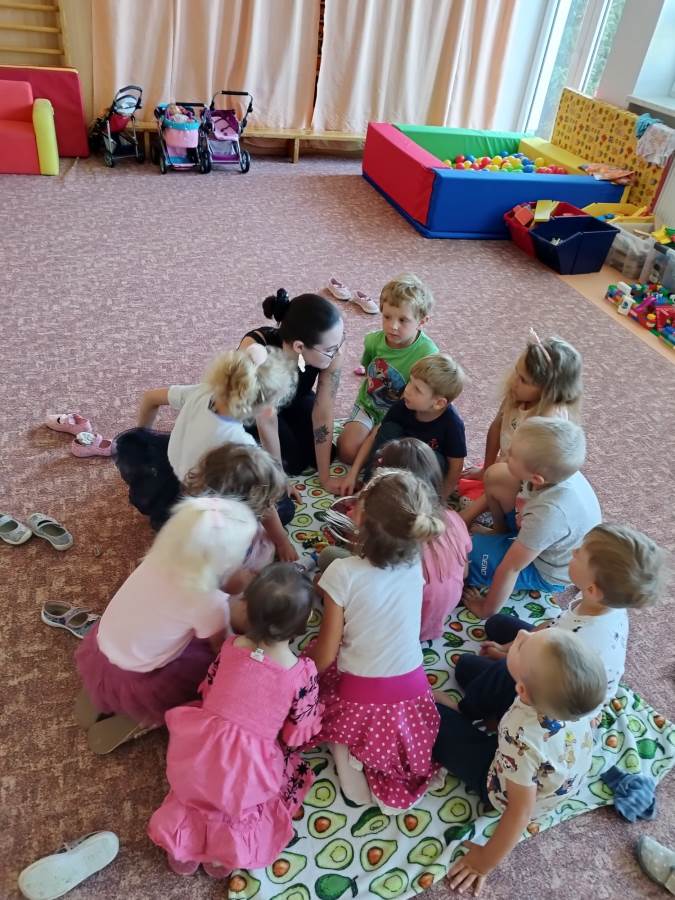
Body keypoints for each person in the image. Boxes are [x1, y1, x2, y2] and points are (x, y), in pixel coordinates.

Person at [147, 564, 322, 878]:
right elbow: (298, 729)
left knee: (195, 795)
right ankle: (223, 852)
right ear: (306, 621)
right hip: (248, 766)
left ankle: (183, 844)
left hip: (202, 748)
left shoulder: (232, 647)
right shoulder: (300, 673)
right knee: (239, 803)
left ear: (248, 610)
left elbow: (211, 686)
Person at [306, 469, 445, 811]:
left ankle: (347, 751)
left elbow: (325, 655)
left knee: (321, 694)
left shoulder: (342, 573)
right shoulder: (416, 563)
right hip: (412, 691)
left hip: (361, 701)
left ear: (358, 517)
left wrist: (297, 675)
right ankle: (369, 761)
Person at [75, 498, 258, 752]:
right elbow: (222, 648)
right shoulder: (208, 602)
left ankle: (104, 692)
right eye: (244, 556)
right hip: (142, 677)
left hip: (103, 647)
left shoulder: (155, 560)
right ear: (224, 566)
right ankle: (145, 717)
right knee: (209, 665)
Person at [433, 629, 606, 896]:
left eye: (522, 646)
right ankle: (471, 710)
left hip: (499, 781)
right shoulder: (575, 702)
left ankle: (459, 715)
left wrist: (483, 863)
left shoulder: (520, 734)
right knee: (469, 667)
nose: (523, 633)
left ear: (522, 691)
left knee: (433, 721)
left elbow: (519, 812)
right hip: (535, 754)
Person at [447, 524, 667, 725]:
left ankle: (468, 711)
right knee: (496, 623)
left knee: (467, 667)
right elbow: (553, 624)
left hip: (556, 700)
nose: (573, 551)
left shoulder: (577, 638)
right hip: (562, 663)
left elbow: (541, 676)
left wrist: (506, 657)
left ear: (592, 589)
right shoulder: (607, 604)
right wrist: (507, 648)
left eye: (579, 553)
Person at [114, 345, 298, 559]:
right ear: (265, 410)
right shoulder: (240, 444)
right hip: (195, 502)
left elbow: (150, 398)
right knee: (284, 508)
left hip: (166, 473)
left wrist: (143, 439)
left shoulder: (204, 391)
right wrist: (282, 541)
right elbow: (264, 505)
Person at [463, 417, 601, 619]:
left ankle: (505, 546)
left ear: (537, 478)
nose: (506, 453)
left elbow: (511, 568)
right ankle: (501, 533)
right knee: (495, 475)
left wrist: (487, 610)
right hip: (537, 531)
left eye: (512, 455)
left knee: (464, 555)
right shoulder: (552, 472)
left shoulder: (550, 513)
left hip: (544, 567)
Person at [460, 331, 582, 530]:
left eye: (524, 380)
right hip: (508, 465)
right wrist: (485, 469)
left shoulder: (548, 420)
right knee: (491, 475)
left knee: (493, 479)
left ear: (547, 390)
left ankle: (501, 530)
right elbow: (497, 427)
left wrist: (468, 515)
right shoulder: (518, 394)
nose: (514, 381)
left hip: (528, 483)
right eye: (517, 372)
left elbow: (524, 478)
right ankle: (494, 506)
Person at [239, 289, 347, 493]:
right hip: (252, 410)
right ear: (299, 347)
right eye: (331, 349)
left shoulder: (333, 345)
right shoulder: (256, 351)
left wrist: (325, 478)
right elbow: (266, 419)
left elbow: (323, 411)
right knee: (294, 464)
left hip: (296, 397)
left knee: (321, 455)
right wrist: (279, 478)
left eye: (340, 340)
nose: (339, 351)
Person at [337, 273, 438, 473]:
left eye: (403, 320)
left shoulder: (428, 354)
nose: (393, 326)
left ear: (422, 321)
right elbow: (369, 369)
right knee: (347, 453)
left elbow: (428, 396)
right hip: (369, 406)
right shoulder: (373, 341)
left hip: (402, 415)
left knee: (393, 460)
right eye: (387, 317)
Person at [184, 441, 289, 627]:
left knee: (269, 543)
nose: (270, 506)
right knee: (236, 617)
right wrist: (240, 581)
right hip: (216, 577)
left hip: (243, 551)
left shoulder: (252, 508)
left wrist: (282, 542)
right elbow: (224, 583)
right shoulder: (211, 531)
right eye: (267, 502)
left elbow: (269, 511)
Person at [378, 438, 472, 641]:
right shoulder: (454, 519)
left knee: (331, 560)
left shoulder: (388, 530)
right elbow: (464, 572)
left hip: (396, 629)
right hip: (436, 620)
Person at [343, 352, 466, 497]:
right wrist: (353, 474)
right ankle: (370, 487)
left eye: (417, 389)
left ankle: (412, 497)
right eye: (410, 382)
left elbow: (456, 467)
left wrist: (440, 500)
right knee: (389, 429)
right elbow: (375, 435)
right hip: (400, 459)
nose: (407, 389)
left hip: (422, 475)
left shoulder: (453, 425)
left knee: (436, 459)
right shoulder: (403, 405)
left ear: (439, 403)